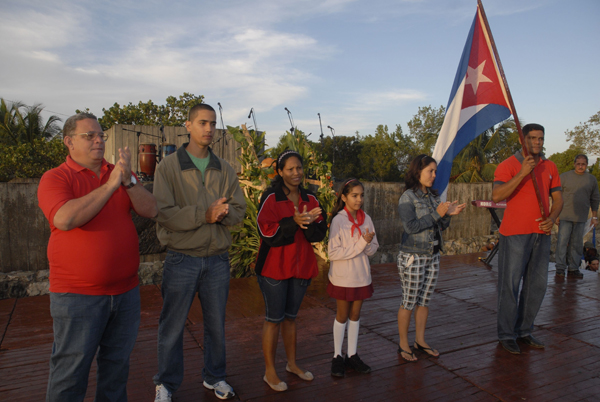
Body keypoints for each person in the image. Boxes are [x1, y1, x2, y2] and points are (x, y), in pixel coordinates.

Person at [37, 112, 158, 401]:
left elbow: (151, 210)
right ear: (68, 142)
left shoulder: (118, 173)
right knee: (70, 374)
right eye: (88, 135)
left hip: (126, 293)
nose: (98, 140)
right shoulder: (55, 178)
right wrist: (110, 185)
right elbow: (65, 218)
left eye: (100, 135)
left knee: (116, 371)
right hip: (77, 297)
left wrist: (127, 181)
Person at [152, 104, 246, 401]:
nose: (209, 129)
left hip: (217, 260)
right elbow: (163, 213)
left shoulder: (225, 168)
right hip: (182, 259)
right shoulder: (168, 167)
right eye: (202, 122)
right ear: (188, 125)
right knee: (172, 327)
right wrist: (203, 215)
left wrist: (224, 213)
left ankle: (215, 377)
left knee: (216, 325)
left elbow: (240, 210)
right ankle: (166, 384)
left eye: (213, 123)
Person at [255, 150, 327, 392]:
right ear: (280, 172)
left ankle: (292, 364)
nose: (296, 173)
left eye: (299, 168)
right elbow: (265, 231)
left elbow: (318, 233)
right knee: (273, 319)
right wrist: (292, 222)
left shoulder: (311, 199)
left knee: (291, 318)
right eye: (290, 169)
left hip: (301, 266)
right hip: (274, 268)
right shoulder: (271, 198)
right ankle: (269, 371)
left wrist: (309, 222)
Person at [492, 123, 563, 354]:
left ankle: (524, 330)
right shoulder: (508, 165)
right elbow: (497, 195)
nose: (537, 142)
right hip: (514, 234)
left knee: (536, 286)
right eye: (532, 138)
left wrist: (552, 219)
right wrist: (522, 172)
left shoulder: (550, 166)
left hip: (541, 234)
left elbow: (558, 200)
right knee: (509, 286)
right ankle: (506, 334)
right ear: (523, 140)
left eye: (540, 138)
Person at [396, 155, 466, 362]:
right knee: (409, 301)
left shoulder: (434, 197)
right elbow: (411, 227)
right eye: (430, 171)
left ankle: (420, 340)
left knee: (424, 301)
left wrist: (447, 215)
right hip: (413, 256)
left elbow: (440, 226)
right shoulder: (407, 198)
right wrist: (438, 214)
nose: (434, 175)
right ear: (418, 172)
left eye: (435, 171)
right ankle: (403, 344)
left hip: (433, 255)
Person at [328, 178, 379, 377]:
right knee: (342, 316)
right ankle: (336, 356)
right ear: (344, 197)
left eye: (361, 195)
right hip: (343, 277)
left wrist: (367, 244)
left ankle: (352, 355)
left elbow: (374, 248)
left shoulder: (366, 218)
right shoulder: (339, 220)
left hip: (361, 276)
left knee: (355, 316)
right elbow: (333, 253)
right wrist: (360, 244)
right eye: (354, 196)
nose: (359, 200)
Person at [555, 154, 600, 278]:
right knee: (562, 242)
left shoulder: (591, 180)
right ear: (574, 164)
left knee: (577, 244)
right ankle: (560, 268)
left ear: (586, 165)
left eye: (583, 164)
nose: (581, 166)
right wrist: (555, 214)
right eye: (578, 164)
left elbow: (595, 199)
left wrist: (594, 217)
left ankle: (573, 268)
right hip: (565, 216)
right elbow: (556, 196)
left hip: (581, 217)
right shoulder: (564, 177)